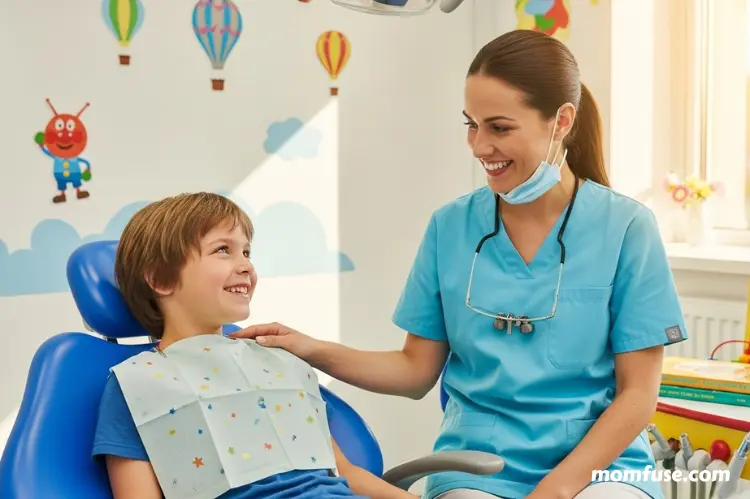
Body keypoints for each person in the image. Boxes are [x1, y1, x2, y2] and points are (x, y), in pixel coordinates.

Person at [230, 30, 687, 499]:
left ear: (561, 121)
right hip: (477, 466)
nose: (479, 146)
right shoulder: (451, 227)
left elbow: (637, 396)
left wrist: (556, 490)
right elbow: (414, 372)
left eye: (500, 127)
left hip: (598, 467)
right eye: (471, 124)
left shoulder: (627, 227)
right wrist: (310, 347)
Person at [91, 192, 417, 499]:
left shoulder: (279, 362)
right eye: (223, 250)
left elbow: (344, 473)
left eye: (246, 252)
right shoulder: (137, 385)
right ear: (161, 279)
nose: (246, 265)